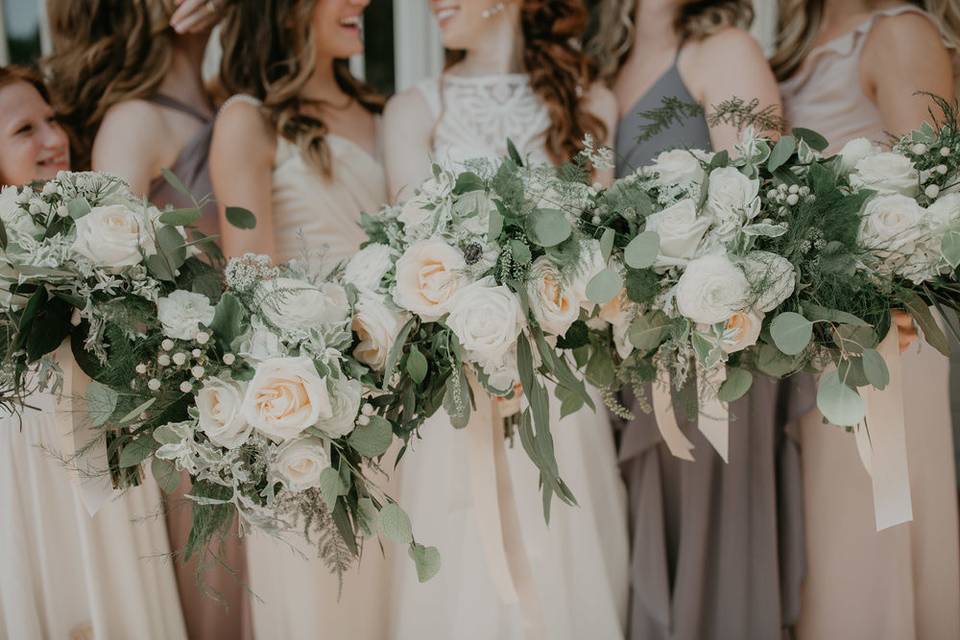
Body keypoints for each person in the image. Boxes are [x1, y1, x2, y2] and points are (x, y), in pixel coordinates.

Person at [382, 2, 629, 638]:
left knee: (563, 558)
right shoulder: (413, 110)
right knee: (460, 558)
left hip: (560, 379)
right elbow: (413, 258)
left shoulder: (591, 99)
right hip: (455, 387)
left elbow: (600, 256)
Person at [587, 2, 816, 639]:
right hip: (631, 360)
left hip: (719, 361)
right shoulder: (601, 70)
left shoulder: (726, 51)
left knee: (712, 558)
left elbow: (763, 209)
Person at [43, 3, 249, 637]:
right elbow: (107, 286)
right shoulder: (134, 120)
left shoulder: (226, 98)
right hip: (194, 416)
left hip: (251, 399)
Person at [774, 2, 960, 638]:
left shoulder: (898, 31)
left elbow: (939, 199)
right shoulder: (796, 43)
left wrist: (894, 300)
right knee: (824, 537)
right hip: (812, 329)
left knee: (863, 537)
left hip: (881, 330)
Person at [209, 1, 392, 637]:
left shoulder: (382, 111)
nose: (362, 2)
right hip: (313, 415)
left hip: (403, 399)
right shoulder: (247, 121)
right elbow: (250, 291)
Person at [0, 65, 189, 640]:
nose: (54, 138)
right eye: (24, 129)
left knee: (125, 589)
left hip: (108, 436)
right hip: (27, 453)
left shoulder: (104, 223)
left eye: (52, 119)